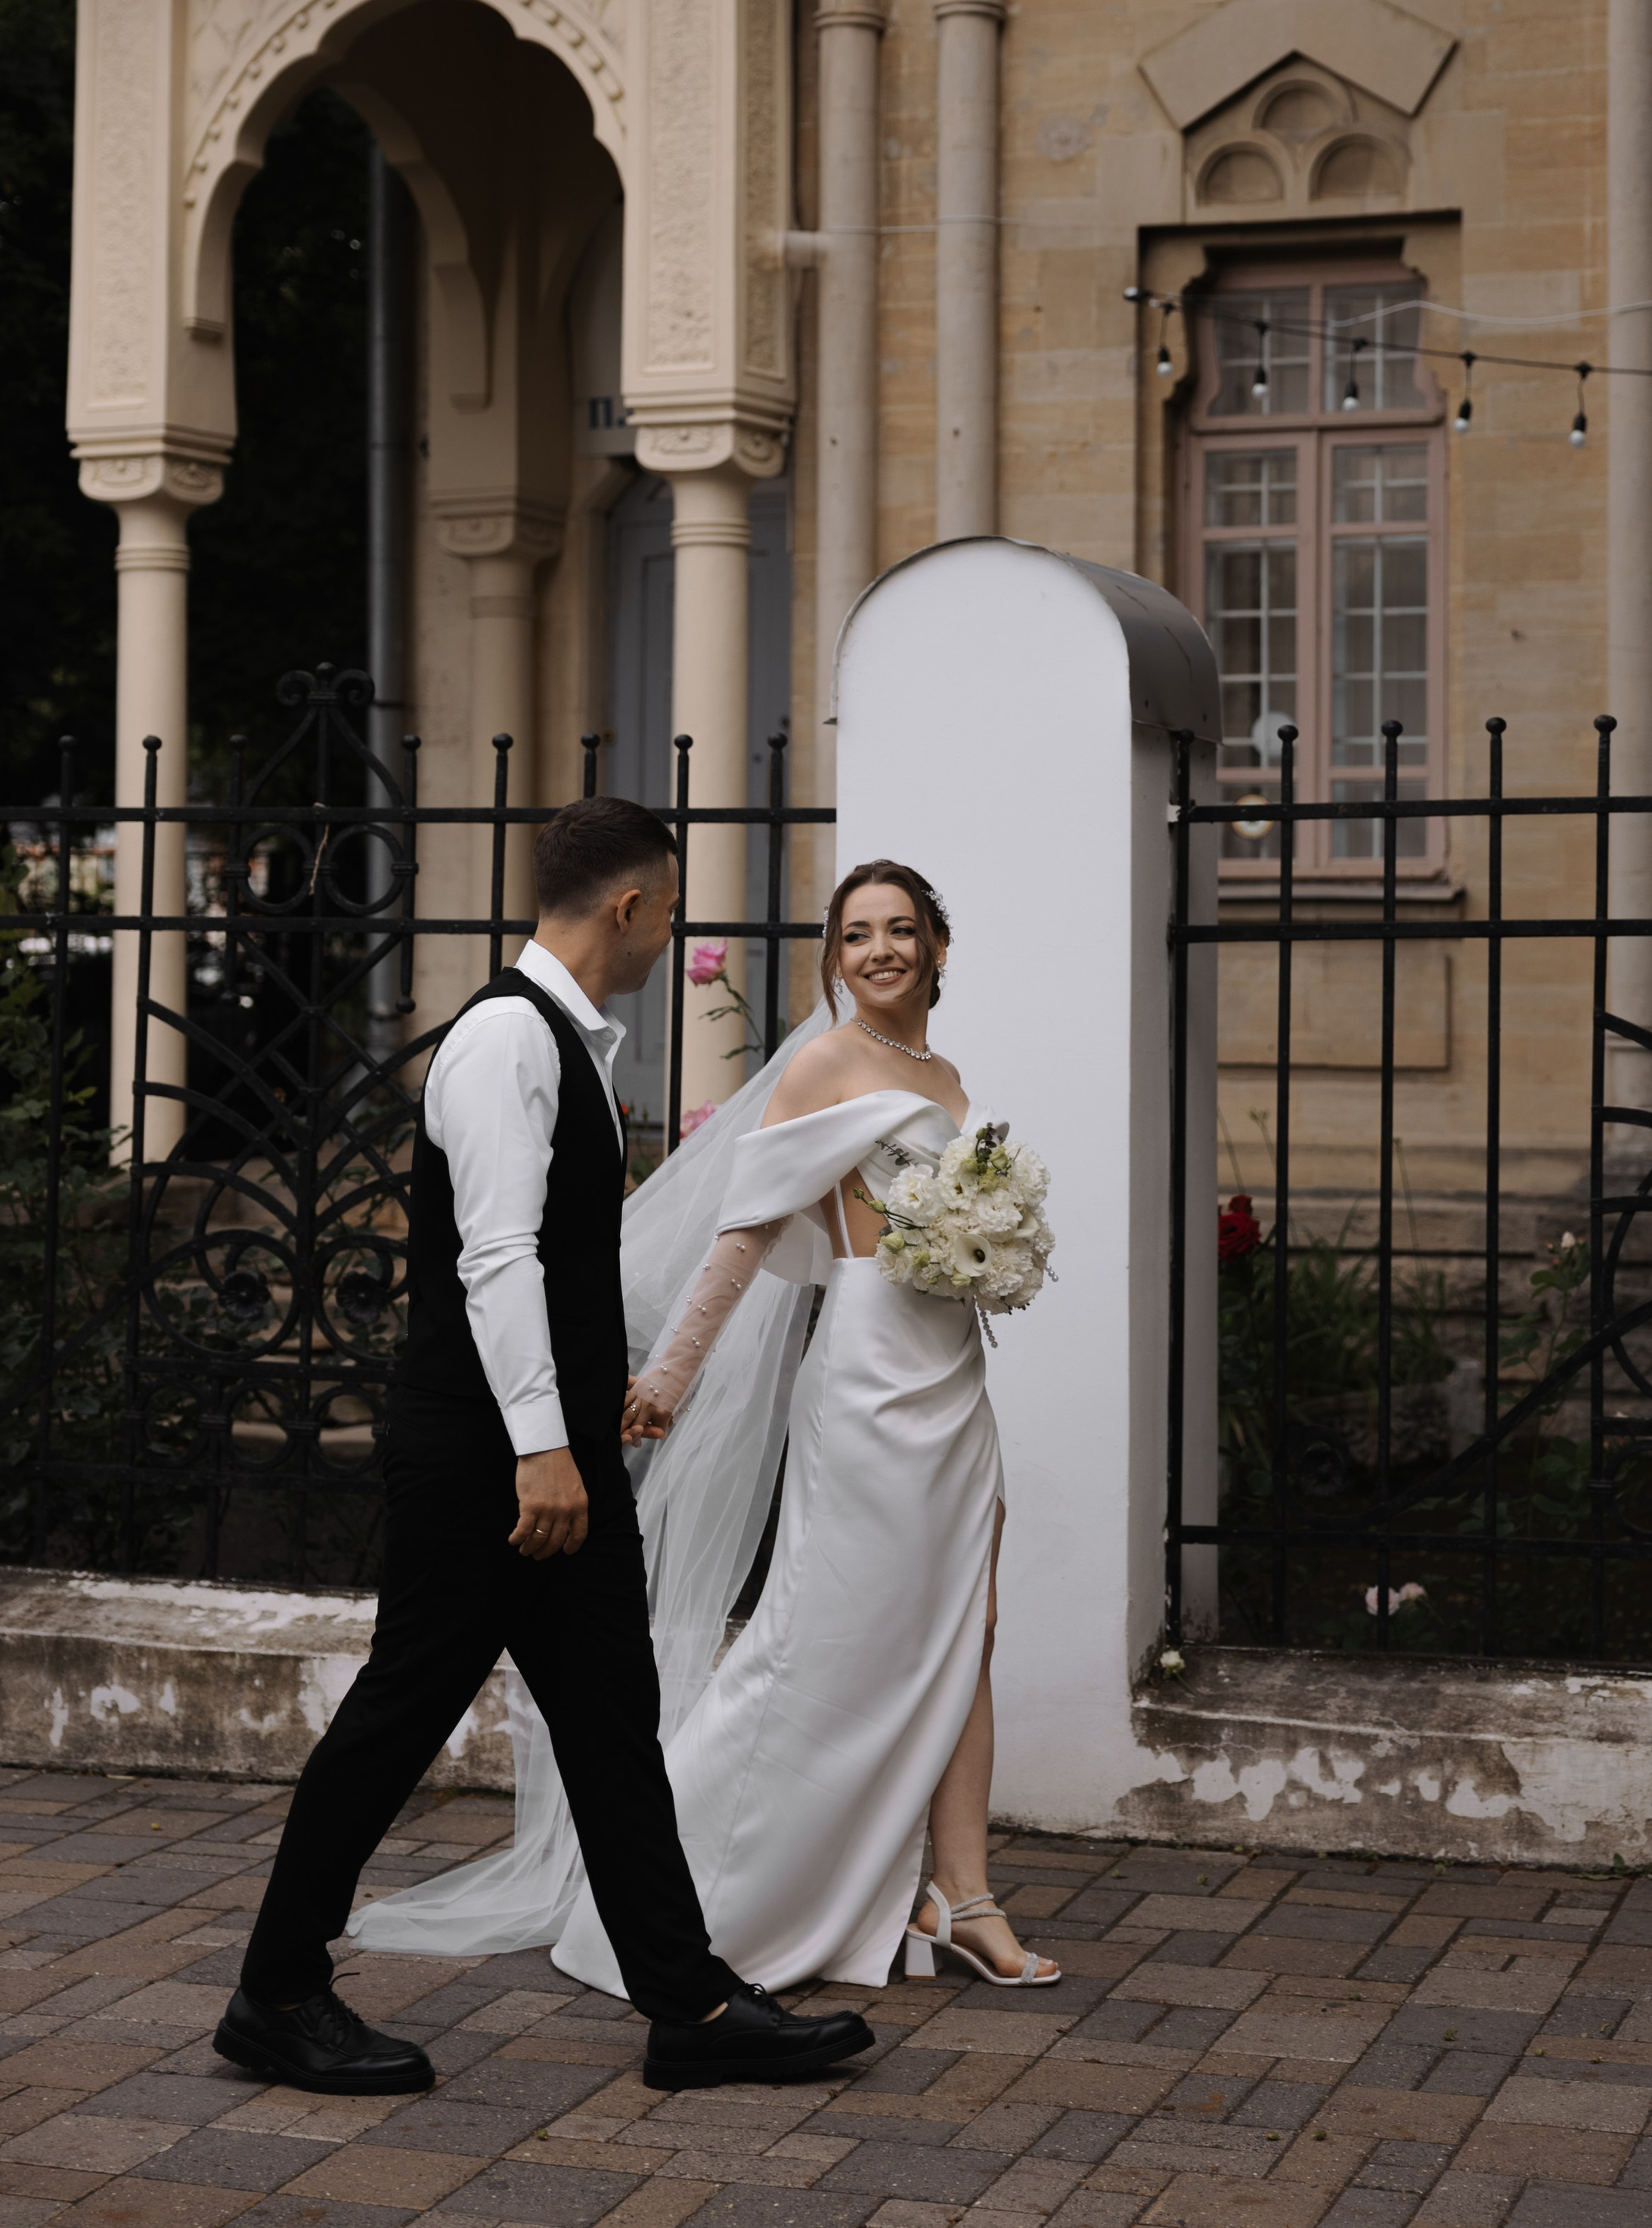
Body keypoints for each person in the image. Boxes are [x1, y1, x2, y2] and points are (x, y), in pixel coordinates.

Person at [213, 797, 874, 2096]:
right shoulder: (507, 1041)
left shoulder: (564, 1039)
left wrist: (585, 1404)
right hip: (495, 1461)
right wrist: (542, 1450)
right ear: (627, 908)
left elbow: (557, 1262)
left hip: (546, 1446)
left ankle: (685, 2004)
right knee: (403, 1713)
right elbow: (495, 1257)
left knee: (615, 1721)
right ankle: (277, 1991)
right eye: (669, 909)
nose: (669, 929)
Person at [350, 859, 1058, 2000]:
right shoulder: (827, 1063)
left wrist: (998, 1249)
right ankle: (697, 1902)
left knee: (960, 1630)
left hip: (952, 1377)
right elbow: (746, 1232)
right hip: (871, 1380)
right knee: (818, 1643)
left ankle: (961, 1896)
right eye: (856, 935)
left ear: (936, 946)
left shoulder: (944, 1070)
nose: (880, 950)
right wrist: (669, 1377)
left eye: (901, 931)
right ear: (835, 960)